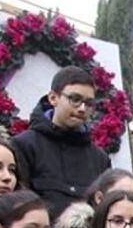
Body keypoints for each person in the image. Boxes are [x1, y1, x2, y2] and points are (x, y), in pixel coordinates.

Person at [11, 66, 111, 218]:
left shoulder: (100, 160)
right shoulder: (24, 145)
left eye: (89, 103)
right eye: (75, 100)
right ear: (53, 98)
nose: (82, 109)